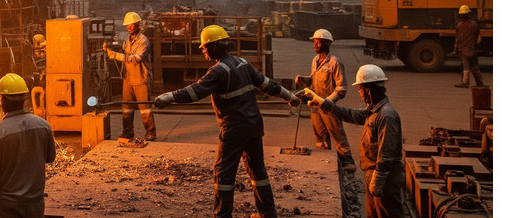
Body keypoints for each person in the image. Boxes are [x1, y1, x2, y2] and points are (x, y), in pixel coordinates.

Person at [154, 24, 302, 218]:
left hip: (234, 129)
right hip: (254, 126)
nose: (204, 51)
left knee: (223, 175)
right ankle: (268, 213)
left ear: (215, 46)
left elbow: (194, 92)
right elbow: (267, 85)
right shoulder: (243, 63)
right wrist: (289, 96)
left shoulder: (218, 71)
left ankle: (222, 216)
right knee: (258, 171)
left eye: (205, 47)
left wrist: (168, 98)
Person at [303, 65, 409, 218]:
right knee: (373, 214)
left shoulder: (387, 116)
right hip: (373, 173)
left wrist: (378, 181)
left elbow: (387, 153)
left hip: (385, 177)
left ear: (369, 89)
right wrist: (321, 102)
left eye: (360, 89)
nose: (360, 93)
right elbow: (350, 114)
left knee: (388, 214)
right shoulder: (373, 110)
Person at [294, 29, 364, 218]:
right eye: (314, 42)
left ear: (327, 43)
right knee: (320, 138)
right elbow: (314, 81)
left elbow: (341, 88)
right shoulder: (315, 61)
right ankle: (325, 161)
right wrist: (304, 80)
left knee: (338, 135)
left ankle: (348, 164)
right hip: (315, 107)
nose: (315, 44)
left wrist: (328, 102)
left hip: (329, 107)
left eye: (318, 42)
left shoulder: (335, 63)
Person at [0, 73, 57, 218]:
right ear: (24, 98)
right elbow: (50, 157)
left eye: (0, 98)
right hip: (34, 203)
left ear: (2, 100)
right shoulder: (43, 126)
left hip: (8, 206)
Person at [103, 11, 157, 143]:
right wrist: (109, 50)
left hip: (141, 78)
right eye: (127, 25)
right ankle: (127, 132)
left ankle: (150, 133)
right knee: (126, 108)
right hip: (128, 79)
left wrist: (114, 55)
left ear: (137, 25)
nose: (129, 27)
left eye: (131, 25)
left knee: (144, 109)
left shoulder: (143, 41)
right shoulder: (127, 41)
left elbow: (135, 59)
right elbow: (124, 53)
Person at [452, 5, 484, 88]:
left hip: (463, 49)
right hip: (472, 49)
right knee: (475, 67)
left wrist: (455, 50)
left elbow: (457, 39)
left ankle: (465, 82)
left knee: (466, 67)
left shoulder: (459, 25)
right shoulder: (474, 24)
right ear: (469, 14)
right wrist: (476, 46)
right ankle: (480, 83)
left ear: (461, 15)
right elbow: (479, 36)